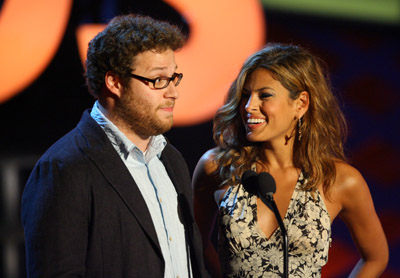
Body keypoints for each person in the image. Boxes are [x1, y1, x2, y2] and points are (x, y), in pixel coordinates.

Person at [22, 14, 209, 278]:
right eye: (158, 80)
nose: (173, 92)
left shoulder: (170, 158)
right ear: (115, 82)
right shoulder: (65, 168)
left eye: (173, 77)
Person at [192, 43, 389, 278]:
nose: (248, 106)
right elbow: (195, 243)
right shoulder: (218, 166)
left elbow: (376, 258)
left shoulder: (339, 180)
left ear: (301, 104)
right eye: (245, 95)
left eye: (264, 95)